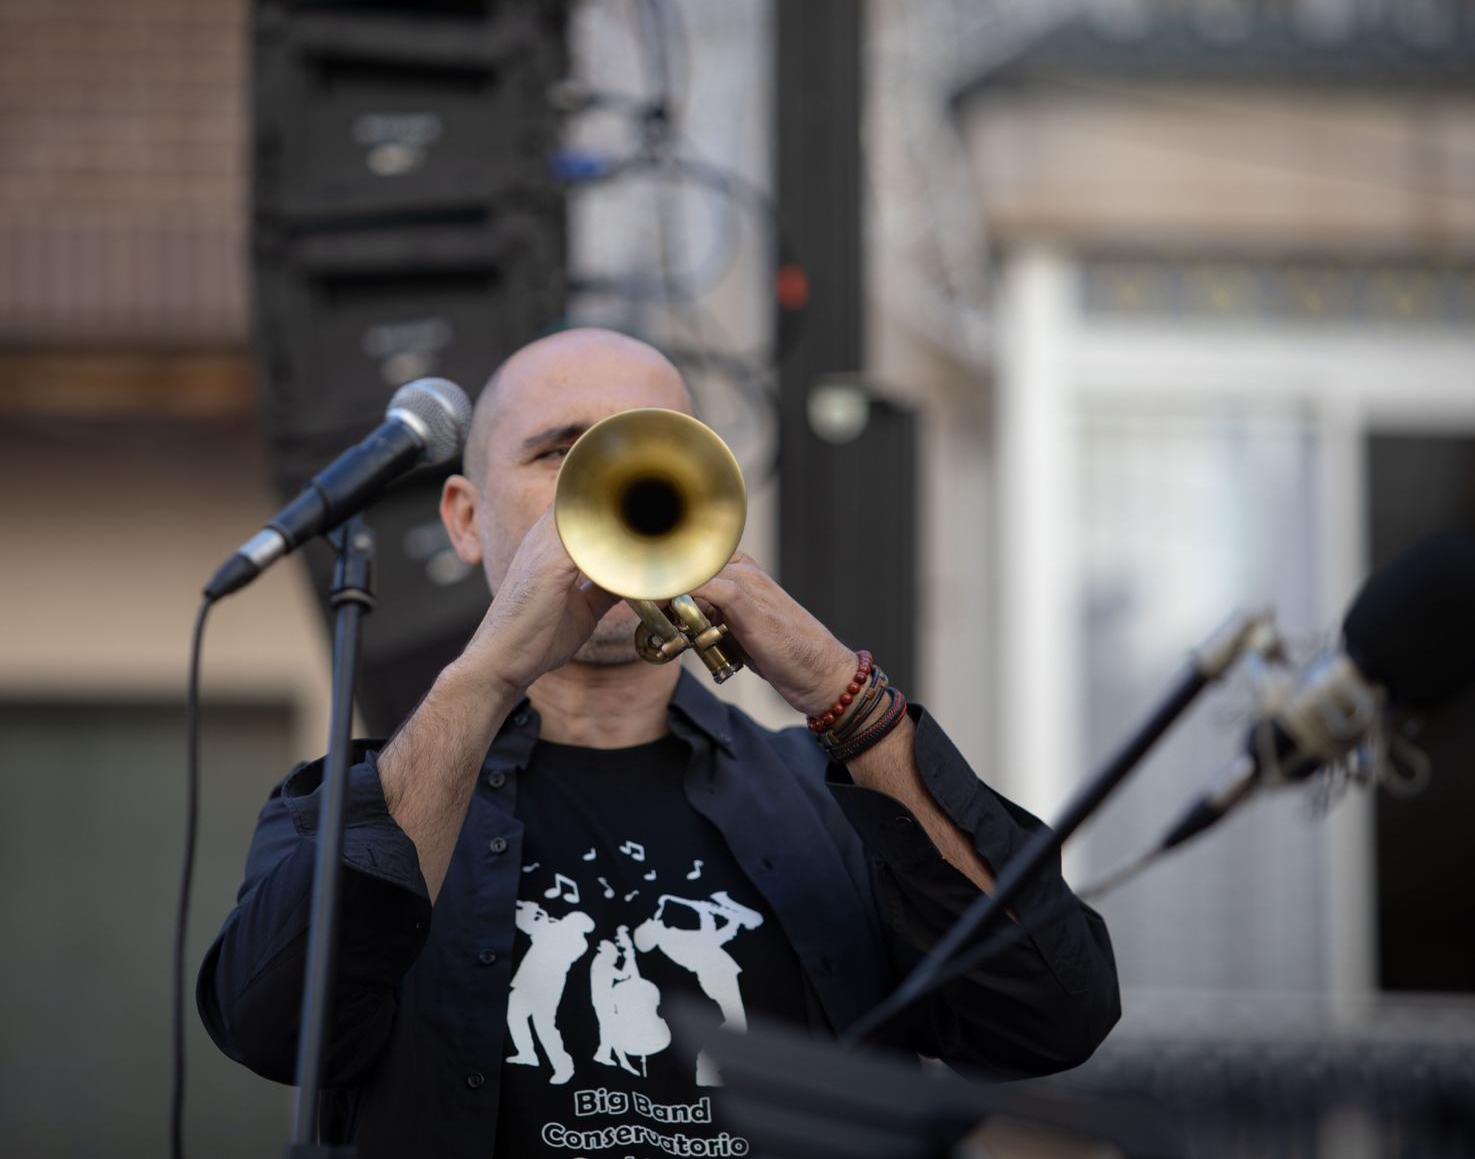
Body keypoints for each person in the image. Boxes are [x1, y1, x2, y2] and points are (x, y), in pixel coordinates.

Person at [197, 328, 1119, 1157]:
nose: (611, 483)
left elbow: (1049, 1016)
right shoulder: (344, 802)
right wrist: (483, 676)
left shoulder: (824, 801)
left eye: (651, 454)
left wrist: (838, 687)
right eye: (561, 451)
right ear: (467, 521)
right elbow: (274, 1028)